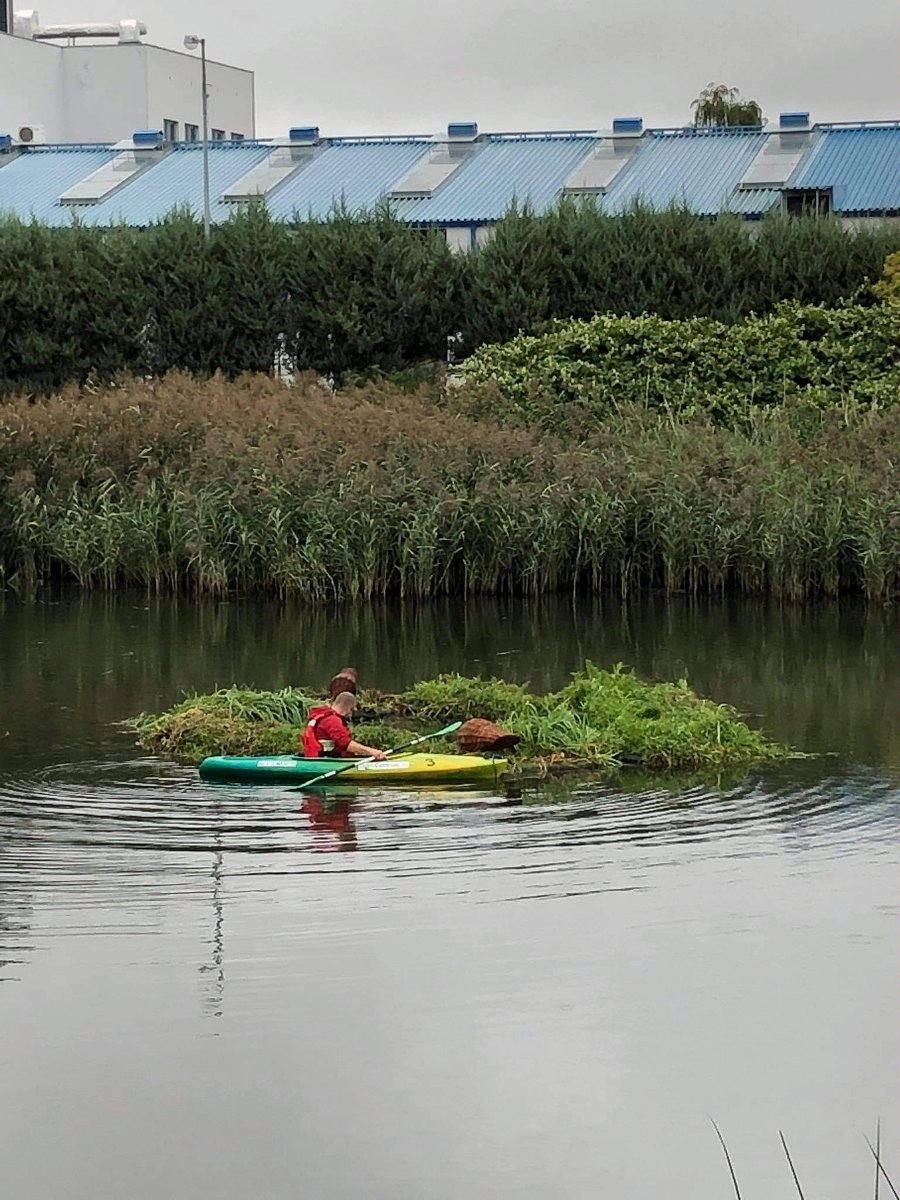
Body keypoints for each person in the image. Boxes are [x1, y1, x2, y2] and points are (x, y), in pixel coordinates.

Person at [301, 691, 387, 760]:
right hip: (327, 759)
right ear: (348, 708)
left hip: (324, 757)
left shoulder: (325, 716)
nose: (350, 713)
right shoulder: (332, 721)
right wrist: (372, 751)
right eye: (351, 710)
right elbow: (346, 744)